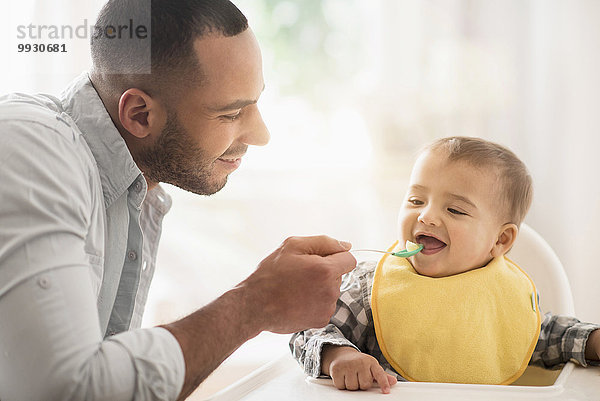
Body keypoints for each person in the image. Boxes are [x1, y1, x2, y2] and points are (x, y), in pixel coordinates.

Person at [0, 1, 356, 400]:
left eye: (254, 103)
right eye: (231, 114)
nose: (261, 134)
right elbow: (65, 390)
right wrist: (256, 303)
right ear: (139, 115)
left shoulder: (136, 189)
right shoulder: (28, 150)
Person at [290, 137, 600, 394]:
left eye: (454, 209)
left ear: (501, 240)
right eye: (415, 201)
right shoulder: (370, 286)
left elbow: (544, 337)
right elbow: (308, 328)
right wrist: (338, 355)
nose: (426, 216)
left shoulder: (502, 295)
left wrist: (591, 342)